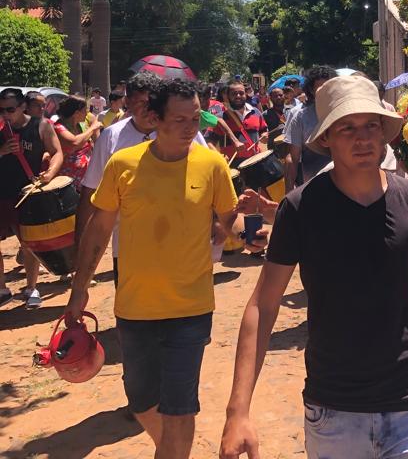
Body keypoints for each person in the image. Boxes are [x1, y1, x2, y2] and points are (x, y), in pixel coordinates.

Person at [218, 75, 408, 459]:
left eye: (372, 126)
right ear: (326, 138)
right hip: (335, 405)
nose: (363, 138)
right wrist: (237, 411)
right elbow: (262, 305)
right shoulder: (301, 207)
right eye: (348, 128)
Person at [67, 79, 241, 459]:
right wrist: (79, 289)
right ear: (153, 118)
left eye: (195, 118)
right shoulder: (123, 164)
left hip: (191, 307)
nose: (190, 127)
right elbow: (99, 229)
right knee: (141, 399)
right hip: (135, 307)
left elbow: (229, 214)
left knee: (180, 405)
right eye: (179, 119)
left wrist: (232, 229)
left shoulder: (211, 164)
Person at [78, 72, 210, 286]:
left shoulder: (183, 130)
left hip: (182, 243)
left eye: (152, 102)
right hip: (129, 248)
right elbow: (90, 193)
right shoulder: (111, 138)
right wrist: (81, 257)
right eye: (141, 103)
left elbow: (207, 178)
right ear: (127, 102)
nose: (148, 109)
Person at [0, 88, 62, 308]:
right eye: (1, 110)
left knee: (28, 244)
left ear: (22, 107)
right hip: (1, 194)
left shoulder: (41, 126)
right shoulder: (0, 128)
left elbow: (57, 152)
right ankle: (2, 289)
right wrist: (2, 151)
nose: (5, 114)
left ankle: (31, 288)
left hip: (27, 194)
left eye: (10, 109)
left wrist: (50, 173)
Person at [282, 65, 335, 190]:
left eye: (330, 86)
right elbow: (292, 158)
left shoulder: (346, 113)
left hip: (347, 186)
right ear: (311, 90)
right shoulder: (300, 117)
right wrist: (289, 193)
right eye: (321, 87)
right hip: (314, 187)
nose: (326, 91)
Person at [54, 95, 102, 191]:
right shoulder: (58, 127)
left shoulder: (81, 126)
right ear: (76, 113)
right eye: (85, 110)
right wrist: (93, 128)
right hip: (68, 183)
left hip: (85, 181)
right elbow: (75, 143)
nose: (87, 113)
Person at [214, 82, 267, 162]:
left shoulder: (256, 112)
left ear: (246, 94)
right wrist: (218, 157)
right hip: (233, 165)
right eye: (234, 94)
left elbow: (263, 130)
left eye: (241, 93)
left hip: (256, 160)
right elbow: (209, 140)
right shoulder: (220, 117)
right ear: (228, 96)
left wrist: (264, 135)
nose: (238, 96)